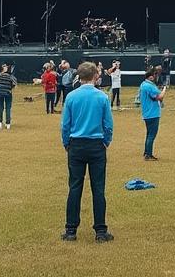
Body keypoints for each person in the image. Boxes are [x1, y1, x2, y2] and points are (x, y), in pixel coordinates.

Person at [60, 62, 114, 243]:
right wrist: (105, 142)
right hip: (96, 145)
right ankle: (100, 230)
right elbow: (108, 125)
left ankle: (70, 230)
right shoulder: (102, 97)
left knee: (75, 187)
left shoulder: (71, 97)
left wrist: (67, 143)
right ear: (95, 76)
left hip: (76, 144)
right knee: (98, 188)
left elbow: (65, 124)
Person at [140, 65, 164, 160]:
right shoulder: (149, 86)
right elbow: (159, 97)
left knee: (149, 134)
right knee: (152, 135)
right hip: (153, 113)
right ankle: (148, 154)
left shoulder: (143, 84)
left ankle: (146, 151)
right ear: (150, 77)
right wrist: (164, 89)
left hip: (146, 113)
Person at [0, 62, 16, 129]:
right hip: (8, 93)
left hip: (0, 93)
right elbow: (14, 83)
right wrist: (10, 88)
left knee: (0, 108)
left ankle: (0, 123)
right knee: (8, 108)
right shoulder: (10, 77)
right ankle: (8, 124)